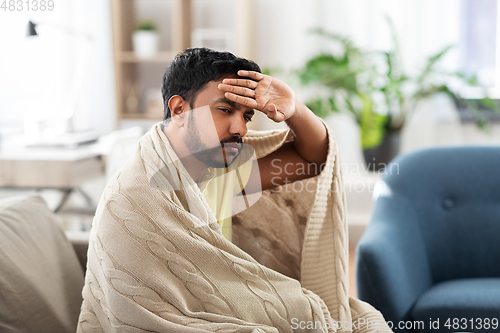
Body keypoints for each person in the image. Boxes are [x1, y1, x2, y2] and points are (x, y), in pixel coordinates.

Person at [77, 48, 391, 333]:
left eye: (246, 116)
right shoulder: (131, 198)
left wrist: (294, 109)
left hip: (231, 315)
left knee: (366, 320)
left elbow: (313, 159)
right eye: (225, 110)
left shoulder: (217, 174)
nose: (240, 128)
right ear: (178, 110)